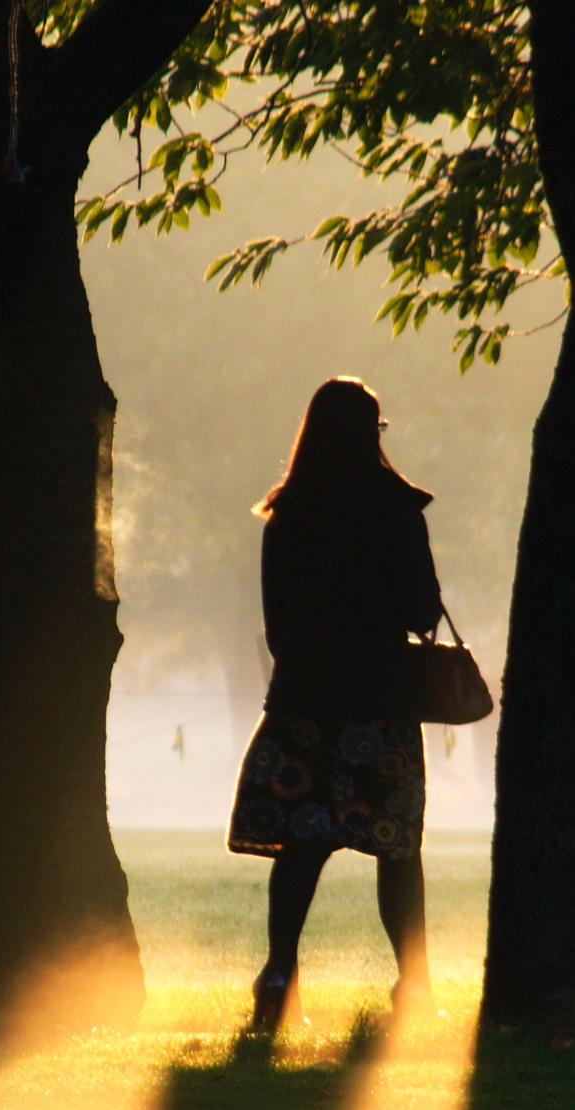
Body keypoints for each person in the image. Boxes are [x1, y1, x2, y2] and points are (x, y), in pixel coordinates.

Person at [227, 377, 443, 1036]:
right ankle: (414, 983)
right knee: (397, 850)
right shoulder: (393, 507)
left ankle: (279, 975)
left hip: (302, 705)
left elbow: (275, 626)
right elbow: (424, 613)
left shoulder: (286, 513)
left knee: (300, 847)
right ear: (368, 434)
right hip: (380, 707)